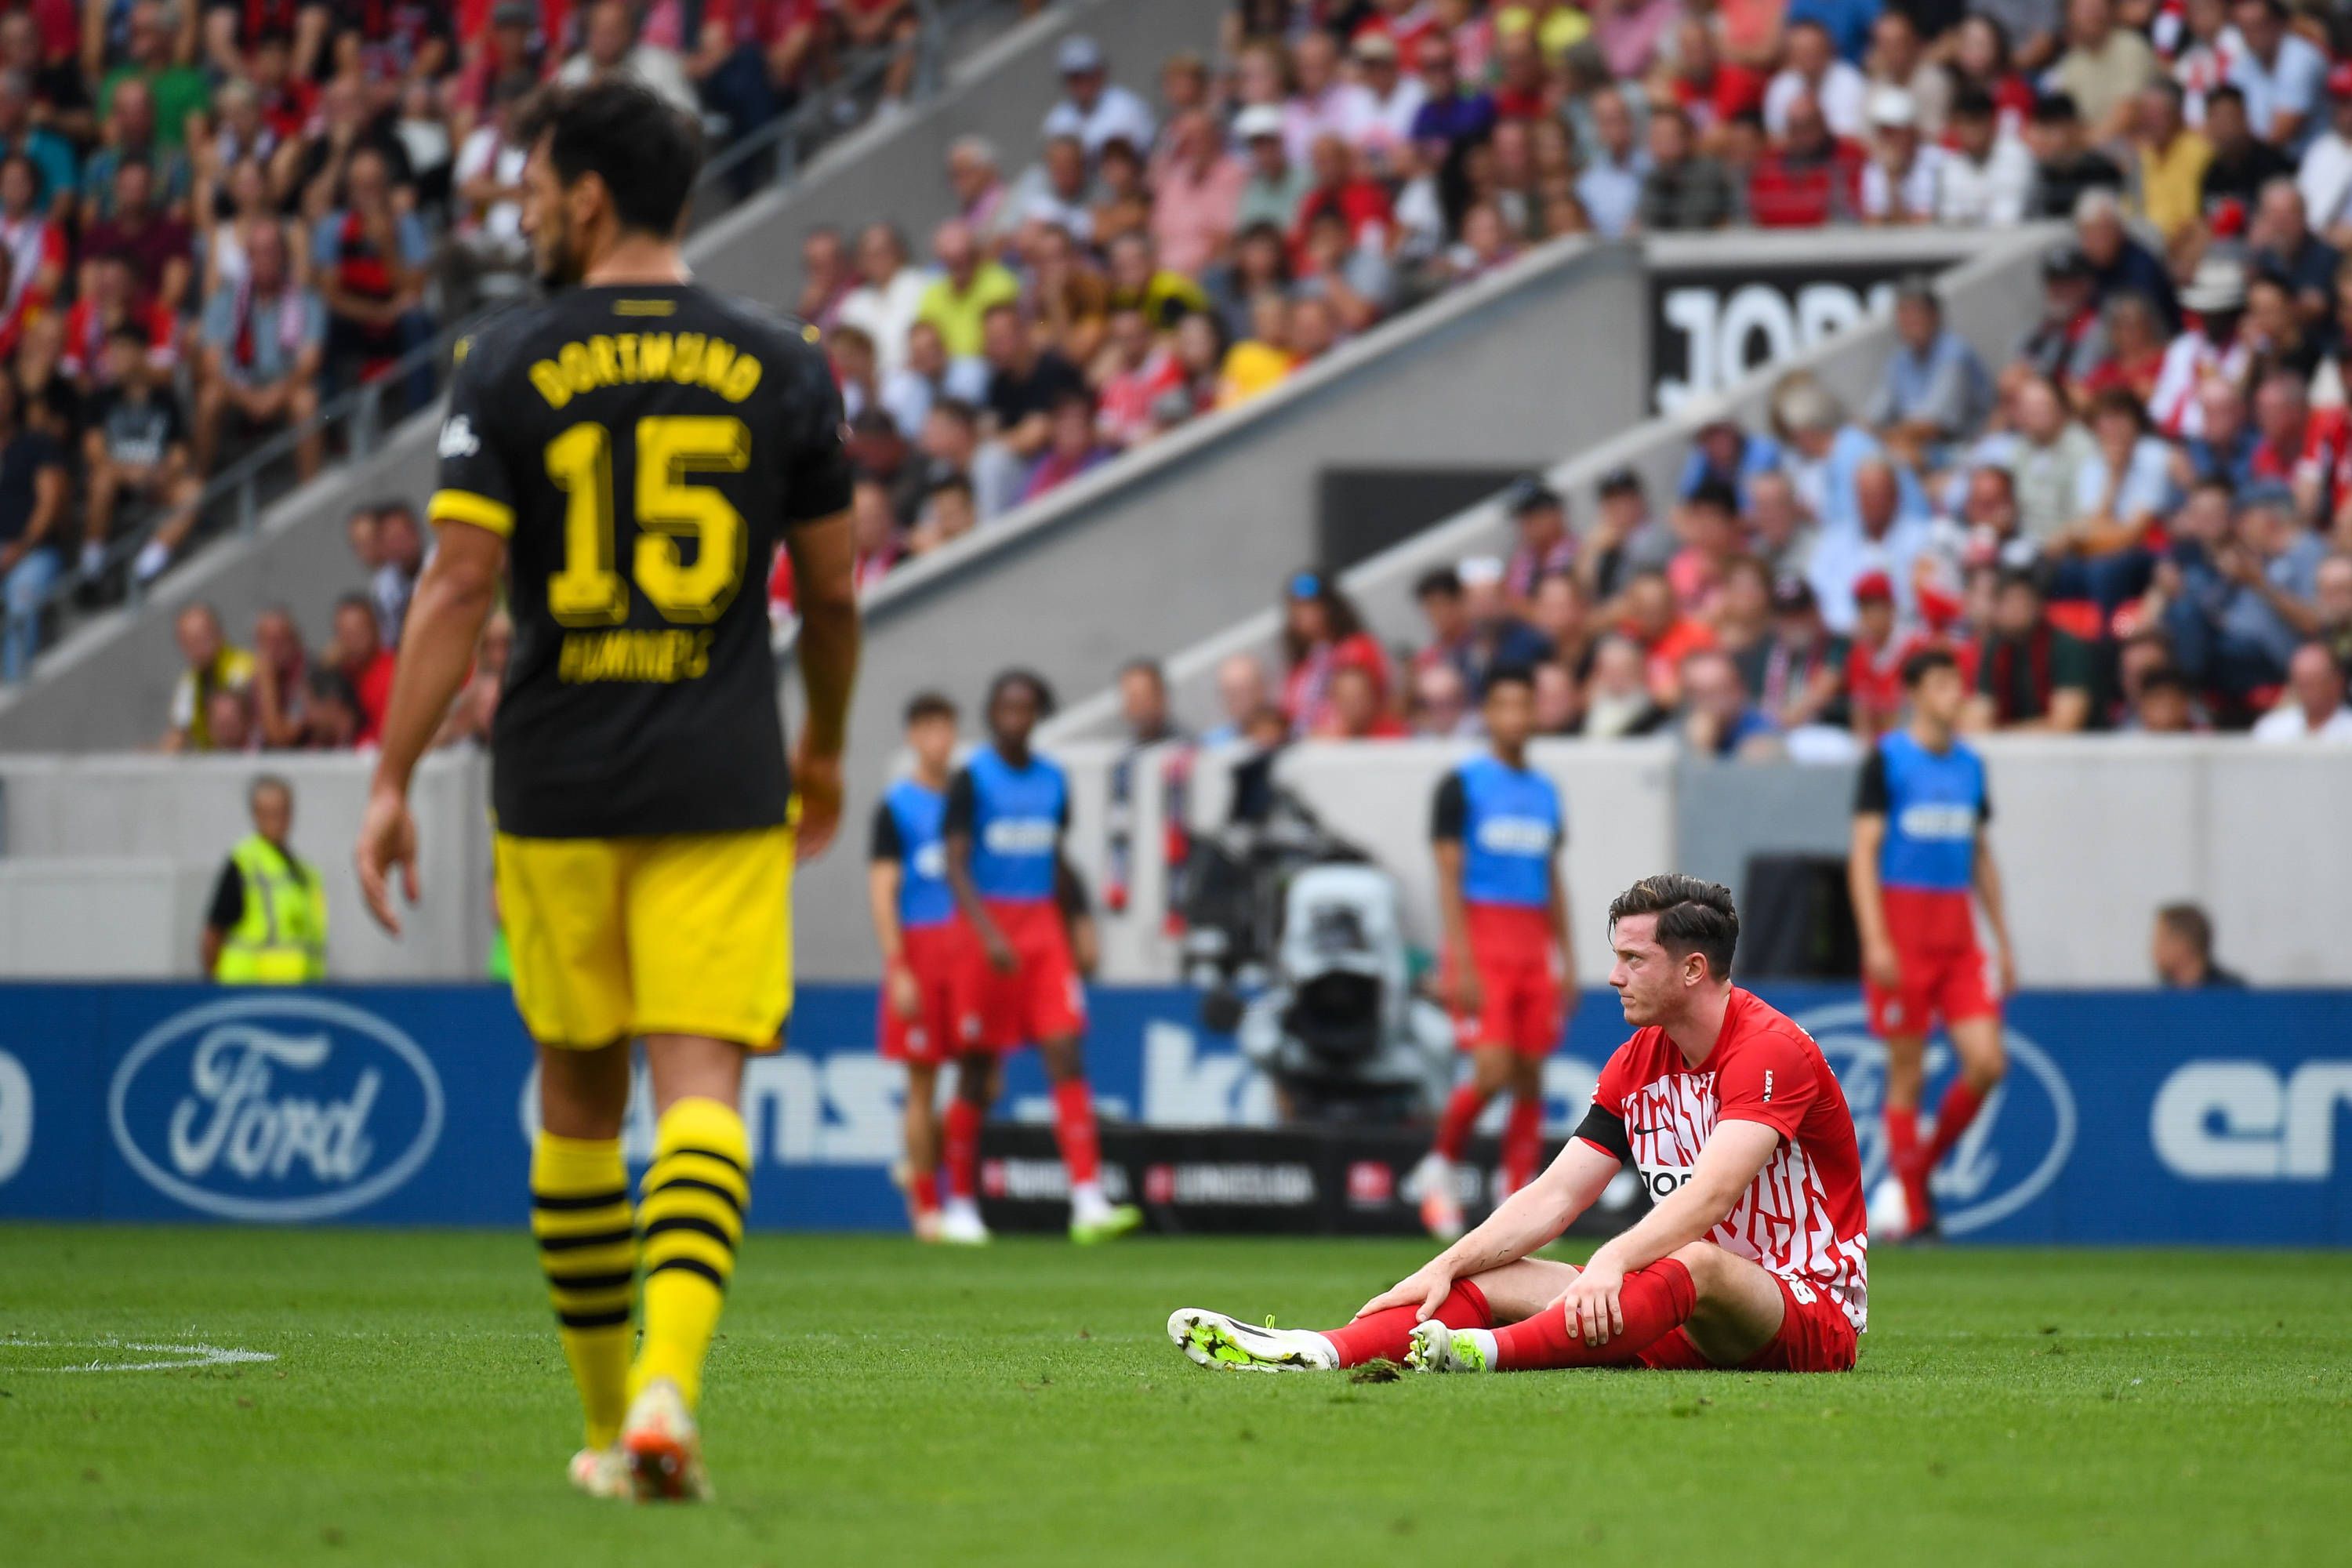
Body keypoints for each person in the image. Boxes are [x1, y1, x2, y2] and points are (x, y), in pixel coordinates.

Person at [352, 82, 861, 1506]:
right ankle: (666, 1392)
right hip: (720, 770)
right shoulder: (786, 364)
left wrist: (390, 780)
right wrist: (823, 745)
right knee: (705, 1085)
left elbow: (457, 584)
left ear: (585, 195)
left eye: (529, 187)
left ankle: (601, 1423)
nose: (518, 210)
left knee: (577, 1097)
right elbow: (828, 594)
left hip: (555, 776)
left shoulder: (501, 361)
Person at [1167, 875, 1866, 1377]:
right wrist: (1444, 1266)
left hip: (1804, 1311)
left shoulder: (1769, 1049)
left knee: (1701, 1261)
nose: (1615, 976)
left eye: (1633, 960)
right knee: (1487, 1276)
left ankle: (1487, 1355)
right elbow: (1556, 1196)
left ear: (1692, 969)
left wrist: (1611, 1263)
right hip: (1673, 1306)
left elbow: (1710, 1198)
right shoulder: (1636, 1060)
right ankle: (1313, 1351)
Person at [937, 670, 1141, 1249]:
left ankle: (1087, 1200)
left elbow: (1054, 858)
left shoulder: (1054, 781)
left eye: (1026, 708)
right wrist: (988, 934)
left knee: (1066, 1052)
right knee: (978, 1069)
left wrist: (1079, 923)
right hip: (985, 931)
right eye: (1006, 707)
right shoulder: (971, 780)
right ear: (992, 713)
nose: (1015, 717)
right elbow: (954, 864)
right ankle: (959, 1204)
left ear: (1038, 714)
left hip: (1043, 931)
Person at [1848, 648, 2014, 1243]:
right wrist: (1875, 939)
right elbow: (1863, 853)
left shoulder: (1971, 764)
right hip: (1904, 932)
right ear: (1915, 692)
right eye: (1943, 683)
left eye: (1958, 683)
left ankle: (1916, 1174)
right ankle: (1917, 1213)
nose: (1955, 693)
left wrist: (2003, 940)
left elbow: (1981, 855)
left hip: (1959, 939)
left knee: (1988, 1063)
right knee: (1907, 1075)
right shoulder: (1887, 760)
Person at [1413, 668, 1575, 1240]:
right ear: (1489, 714)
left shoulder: (1547, 792)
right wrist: (1460, 960)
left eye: (1523, 705)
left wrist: (1569, 958)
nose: (1515, 717)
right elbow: (1448, 876)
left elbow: (1551, 876)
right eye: (1503, 705)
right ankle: (1439, 1168)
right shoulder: (1462, 785)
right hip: (1483, 938)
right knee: (1492, 1068)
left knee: (1531, 1075)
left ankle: (1519, 1203)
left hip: (1532, 942)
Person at [868, 691, 966, 1244]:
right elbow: (883, 892)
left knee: (983, 1079)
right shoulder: (896, 807)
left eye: (946, 727)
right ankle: (928, 1208)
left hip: (970, 952)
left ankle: (917, 1163)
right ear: (912, 736)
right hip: (922, 952)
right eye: (927, 728)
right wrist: (898, 967)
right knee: (923, 1081)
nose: (938, 739)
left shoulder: (968, 798)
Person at [201, 775, 327, 983]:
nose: (276, 820)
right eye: (267, 813)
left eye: (281, 812)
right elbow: (213, 934)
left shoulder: (307, 873)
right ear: (255, 815)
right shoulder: (243, 863)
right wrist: (216, 991)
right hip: (247, 990)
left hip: (300, 994)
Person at [2250, 641, 2352, 739]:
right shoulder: (2269, 728)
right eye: (2302, 683)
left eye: (2314, 682)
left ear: (2337, 682)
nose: (2308, 692)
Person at [2151, 902, 2246, 987]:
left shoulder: (2231, 994)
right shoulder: (2159, 998)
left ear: (2184, 944)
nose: (2154, 949)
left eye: (2161, 940)